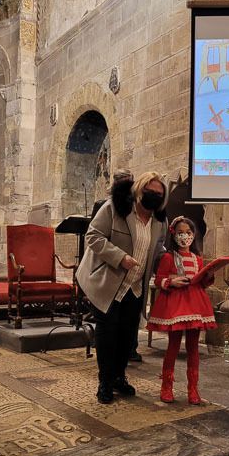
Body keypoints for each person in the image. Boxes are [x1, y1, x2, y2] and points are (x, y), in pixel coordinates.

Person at [76, 171, 168, 404]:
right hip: (107, 282)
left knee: (127, 337)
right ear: (139, 189)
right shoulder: (115, 208)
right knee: (108, 335)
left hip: (134, 286)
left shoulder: (160, 221)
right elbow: (93, 236)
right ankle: (105, 382)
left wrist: (173, 266)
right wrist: (120, 257)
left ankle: (119, 377)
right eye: (149, 191)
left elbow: (158, 251)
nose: (154, 196)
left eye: (159, 194)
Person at [146, 216, 217, 405]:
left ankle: (193, 388)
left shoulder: (197, 258)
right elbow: (159, 280)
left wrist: (209, 276)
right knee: (173, 346)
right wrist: (172, 281)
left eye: (188, 232)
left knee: (193, 347)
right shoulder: (168, 257)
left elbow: (201, 283)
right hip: (176, 306)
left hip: (195, 305)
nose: (184, 236)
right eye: (180, 233)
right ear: (173, 235)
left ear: (193, 235)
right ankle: (166, 386)